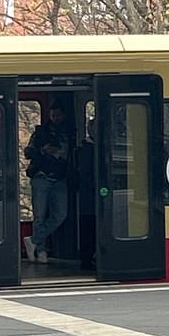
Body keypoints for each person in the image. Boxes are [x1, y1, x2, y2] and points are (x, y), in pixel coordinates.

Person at [23, 99, 71, 263]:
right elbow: (27, 153)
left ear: (64, 115)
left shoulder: (71, 132)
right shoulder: (40, 132)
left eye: (58, 115)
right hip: (41, 176)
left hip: (61, 178)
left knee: (60, 215)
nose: (55, 118)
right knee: (39, 216)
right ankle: (40, 251)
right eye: (52, 115)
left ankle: (33, 241)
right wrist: (43, 150)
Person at [76, 117, 96, 273]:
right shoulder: (86, 150)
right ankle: (86, 259)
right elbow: (86, 174)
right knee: (88, 227)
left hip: (91, 195)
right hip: (89, 196)